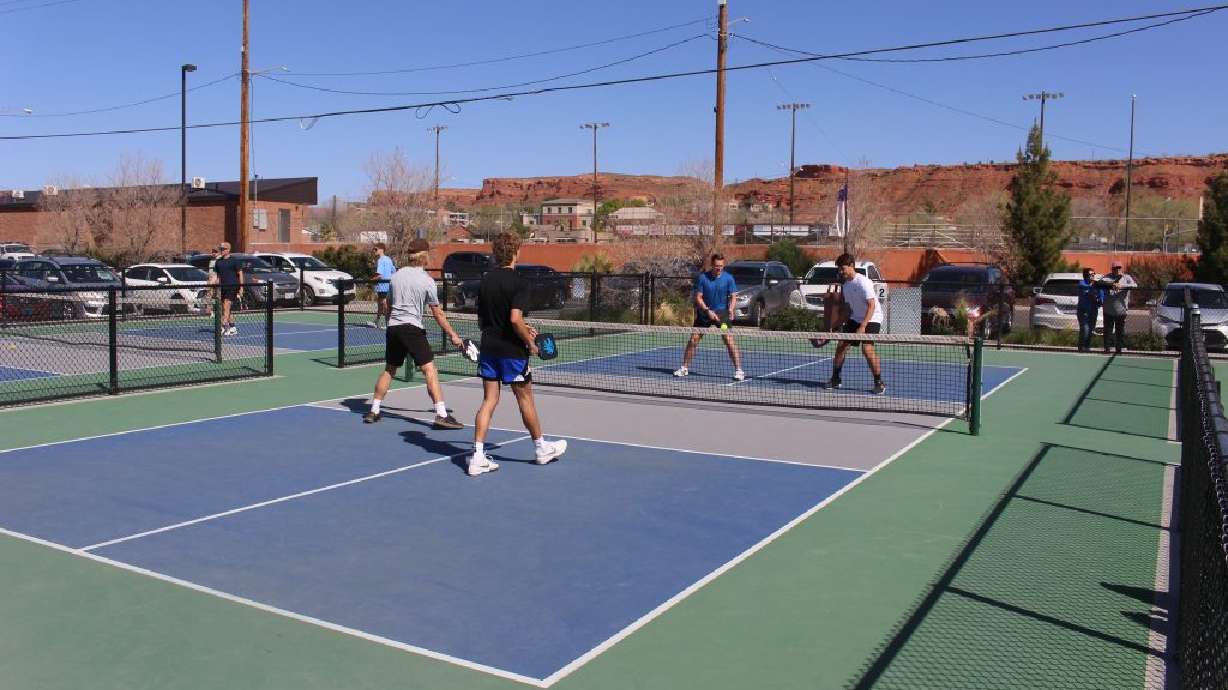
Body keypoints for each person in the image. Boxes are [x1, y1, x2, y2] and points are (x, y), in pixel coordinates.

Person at [469, 232, 567, 477]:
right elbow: (514, 319)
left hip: (489, 348)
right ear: (516, 252)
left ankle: (478, 456)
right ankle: (541, 448)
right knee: (525, 399)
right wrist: (529, 340)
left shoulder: (485, 281)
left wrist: (523, 328)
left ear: (495, 253)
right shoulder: (520, 282)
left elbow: (483, 321)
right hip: (512, 352)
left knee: (489, 401)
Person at [364, 239, 466, 429]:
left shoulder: (395, 276)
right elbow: (437, 312)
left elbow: (388, 305)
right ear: (424, 256)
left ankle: (374, 410)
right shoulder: (427, 281)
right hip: (412, 329)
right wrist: (453, 334)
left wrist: (390, 324)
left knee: (389, 369)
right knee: (430, 370)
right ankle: (442, 415)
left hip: (394, 328)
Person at [673, 253, 745, 381]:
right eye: (717, 266)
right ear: (712, 265)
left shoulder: (729, 278)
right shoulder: (702, 278)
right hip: (705, 314)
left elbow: (733, 296)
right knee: (694, 339)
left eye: (721, 266)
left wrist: (730, 309)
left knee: (728, 340)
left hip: (722, 315)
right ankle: (684, 368)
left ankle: (739, 370)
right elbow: (698, 297)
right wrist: (707, 311)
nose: (719, 268)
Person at [825, 253, 885, 394]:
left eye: (842, 268)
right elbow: (847, 310)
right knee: (841, 346)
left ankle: (879, 382)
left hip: (872, 318)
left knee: (867, 350)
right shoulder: (846, 285)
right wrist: (834, 326)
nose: (841, 271)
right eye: (839, 269)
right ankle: (835, 379)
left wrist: (863, 327)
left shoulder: (863, 282)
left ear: (851, 266)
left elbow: (871, 305)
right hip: (855, 318)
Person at [1098, 261, 1135, 355]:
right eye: (1115, 268)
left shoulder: (1127, 277)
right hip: (1108, 310)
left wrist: (1121, 286)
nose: (1117, 270)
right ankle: (1107, 349)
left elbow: (1134, 285)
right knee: (1107, 332)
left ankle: (1118, 350)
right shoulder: (1107, 277)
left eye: (1119, 268)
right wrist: (1111, 285)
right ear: (1112, 269)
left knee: (1120, 332)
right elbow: (1099, 283)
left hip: (1121, 311)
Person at [212, 242, 243, 336]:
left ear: (228, 250)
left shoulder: (234, 260)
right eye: (221, 249)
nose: (222, 250)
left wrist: (241, 287)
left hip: (233, 286)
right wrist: (213, 284)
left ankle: (223, 326)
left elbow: (240, 274)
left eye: (224, 249)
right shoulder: (218, 262)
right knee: (226, 308)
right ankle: (233, 327)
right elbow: (217, 276)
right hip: (223, 287)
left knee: (226, 305)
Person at [1075, 267, 1102, 353]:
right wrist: (1093, 287)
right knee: (1085, 329)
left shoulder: (1097, 285)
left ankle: (1087, 347)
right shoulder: (1082, 283)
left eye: (1093, 274)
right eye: (1090, 275)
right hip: (1083, 311)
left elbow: (1101, 295)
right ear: (1085, 276)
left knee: (1091, 330)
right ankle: (1081, 346)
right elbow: (1084, 286)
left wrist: (1100, 300)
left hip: (1093, 311)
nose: (1092, 276)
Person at [370, 242, 396, 329]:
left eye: (376, 249)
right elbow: (393, 271)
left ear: (381, 250)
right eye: (374, 249)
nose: (374, 251)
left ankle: (388, 323)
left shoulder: (381, 260)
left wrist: (370, 281)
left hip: (383, 286)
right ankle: (377, 321)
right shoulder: (389, 259)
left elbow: (379, 275)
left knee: (384, 305)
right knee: (380, 304)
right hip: (387, 286)